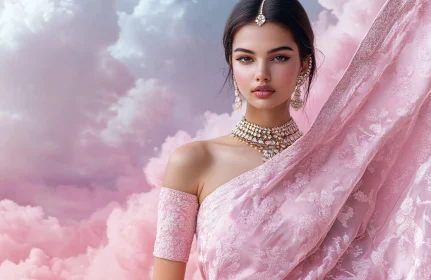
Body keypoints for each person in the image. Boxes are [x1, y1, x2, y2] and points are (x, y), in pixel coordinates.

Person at [153, 0, 431, 279]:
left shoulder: (335, 170)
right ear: (231, 63)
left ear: (304, 63)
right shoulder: (193, 162)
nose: (261, 73)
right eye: (246, 59)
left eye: (279, 57)